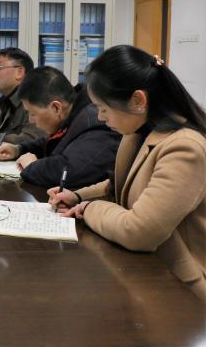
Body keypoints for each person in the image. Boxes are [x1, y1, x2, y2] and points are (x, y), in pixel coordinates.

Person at [48, 45, 206, 301]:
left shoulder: (185, 148)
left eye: (103, 108)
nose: (100, 118)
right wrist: (77, 196)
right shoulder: (139, 132)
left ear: (138, 101)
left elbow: (139, 232)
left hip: (180, 290)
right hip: (144, 272)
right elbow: (121, 185)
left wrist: (90, 208)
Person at [0, 66, 120, 188]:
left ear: (56, 107)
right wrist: (18, 149)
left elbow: (69, 172)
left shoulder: (94, 122)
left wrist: (32, 166)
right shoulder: (74, 112)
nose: (30, 120)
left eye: (33, 113)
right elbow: (52, 143)